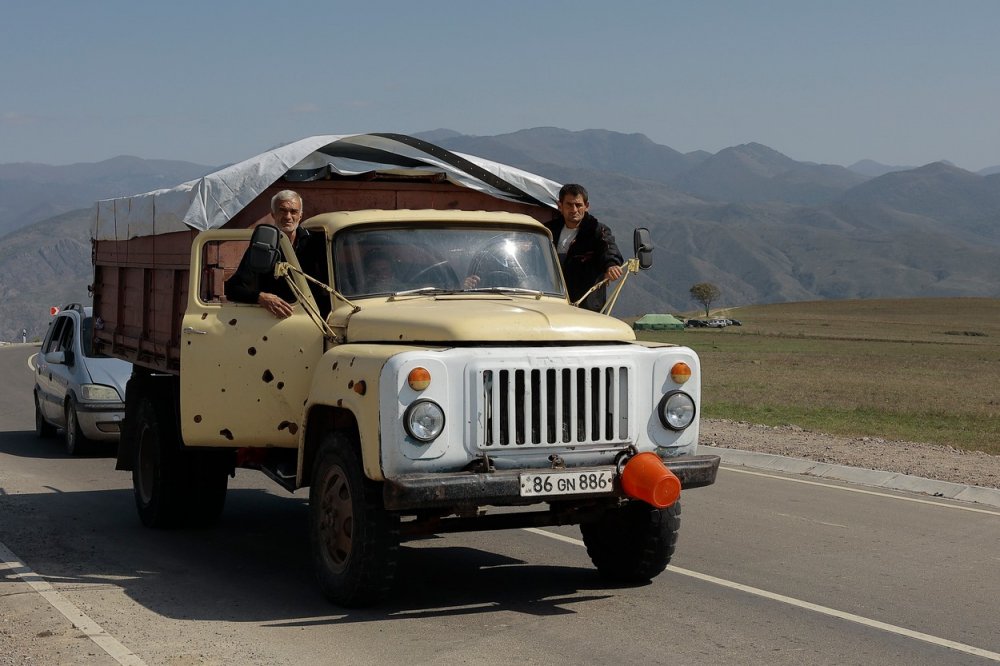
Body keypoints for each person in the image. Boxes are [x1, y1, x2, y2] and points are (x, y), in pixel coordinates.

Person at [225, 190, 327, 318]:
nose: (288, 217)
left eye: (293, 211)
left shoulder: (316, 242)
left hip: (316, 319)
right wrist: (261, 297)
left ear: (300, 216)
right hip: (275, 320)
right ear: (273, 215)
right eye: (282, 211)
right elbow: (232, 289)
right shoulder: (264, 246)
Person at [544, 184, 623, 312]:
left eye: (578, 205)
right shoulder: (547, 231)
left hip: (586, 305)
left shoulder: (597, 231)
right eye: (569, 205)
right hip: (552, 303)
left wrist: (612, 264)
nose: (574, 209)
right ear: (560, 206)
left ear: (586, 206)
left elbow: (608, 247)